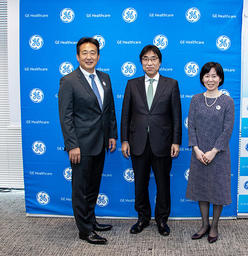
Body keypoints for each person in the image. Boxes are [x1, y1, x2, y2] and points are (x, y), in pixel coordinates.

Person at [58, 37, 118, 245]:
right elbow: (65, 116)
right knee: (81, 188)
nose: (89, 56)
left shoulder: (105, 78)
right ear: (77, 56)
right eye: (84, 53)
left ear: (98, 56)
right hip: (81, 146)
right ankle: (84, 230)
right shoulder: (69, 81)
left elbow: (109, 110)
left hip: (100, 143)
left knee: (93, 186)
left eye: (93, 52)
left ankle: (91, 220)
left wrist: (112, 134)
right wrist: (72, 145)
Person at [121, 45, 182, 236]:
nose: (150, 62)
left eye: (153, 58)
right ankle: (142, 218)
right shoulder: (132, 84)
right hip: (137, 142)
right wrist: (124, 140)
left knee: (163, 183)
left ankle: (162, 220)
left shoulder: (171, 84)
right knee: (140, 182)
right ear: (141, 62)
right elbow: (126, 115)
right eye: (146, 59)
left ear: (160, 62)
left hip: (163, 143)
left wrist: (176, 141)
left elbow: (176, 116)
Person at [186, 62, 234, 243]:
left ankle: (214, 226)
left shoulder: (227, 101)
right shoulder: (196, 99)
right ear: (202, 78)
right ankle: (204, 224)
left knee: (217, 190)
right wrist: (196, 149)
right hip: (199, 153)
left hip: (219, 154)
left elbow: (227, 130)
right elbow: (191, 127)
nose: (210, 79)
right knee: (201, 189)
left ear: (220, 78)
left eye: (214, 76)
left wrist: (213, 151)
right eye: (207, 76)